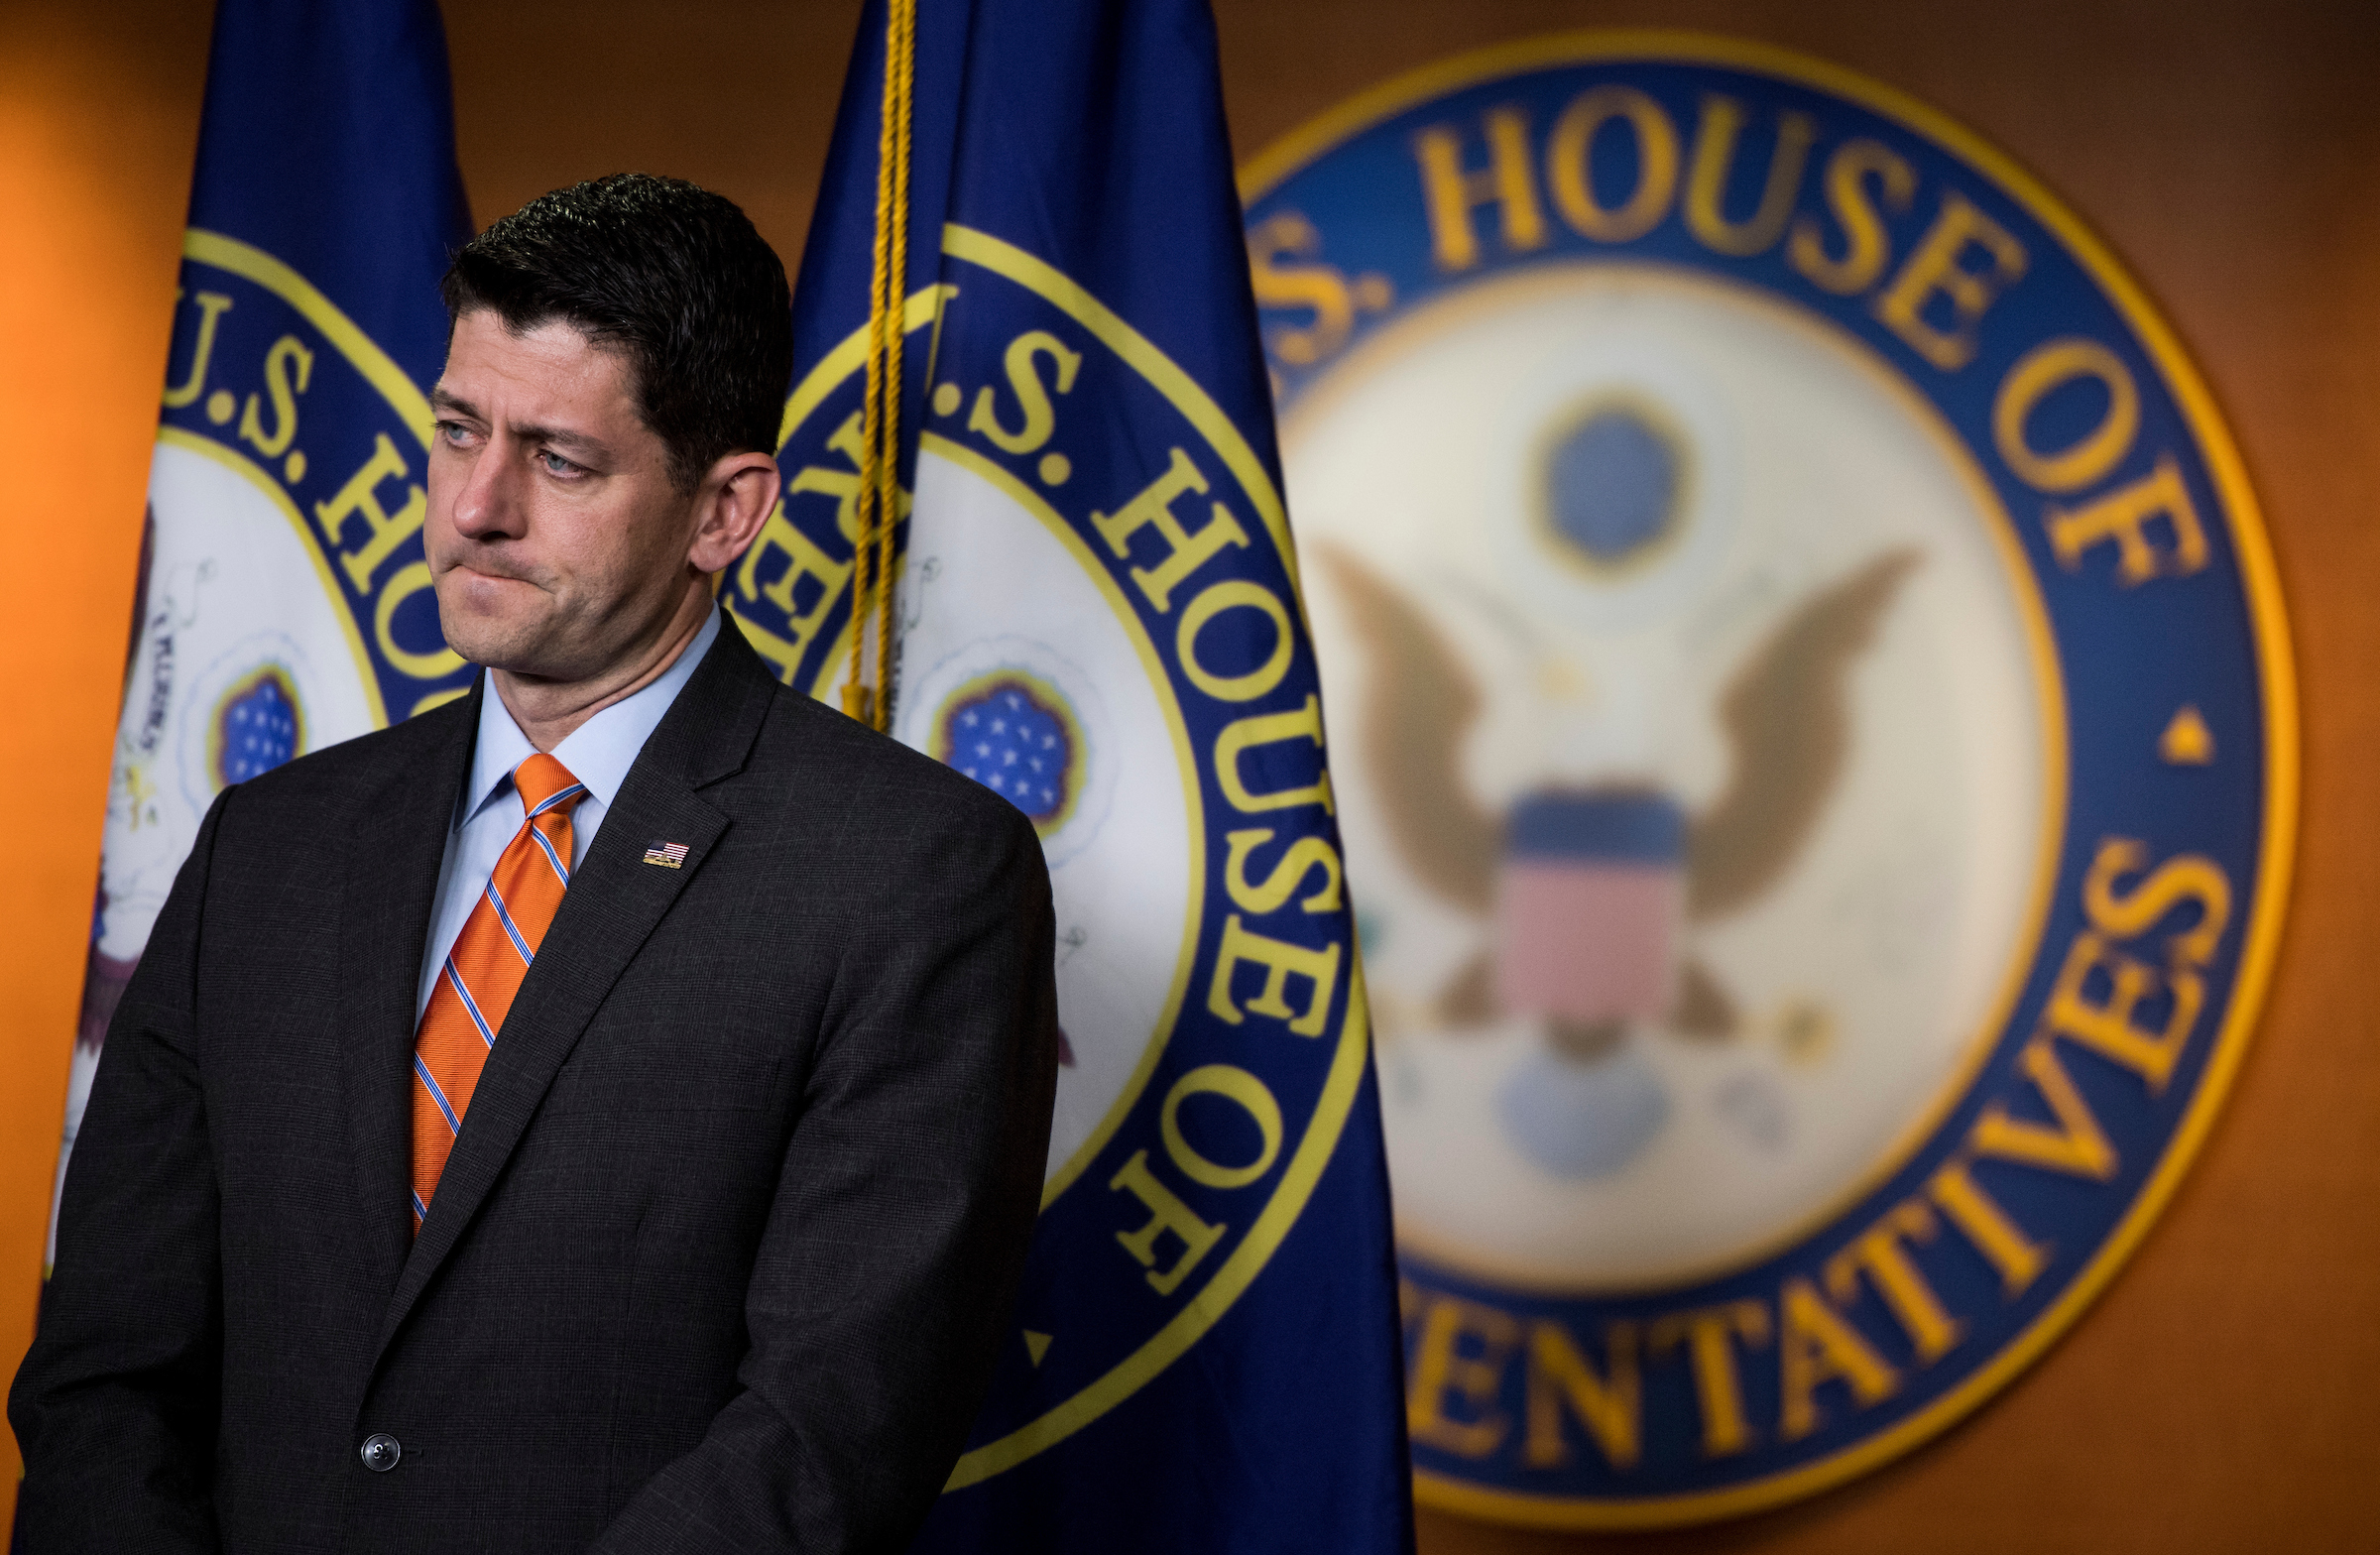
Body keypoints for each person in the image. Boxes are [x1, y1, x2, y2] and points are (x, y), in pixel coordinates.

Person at [10, 174, 1060, 1554]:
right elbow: (104, 1377)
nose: (477, 508)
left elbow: (828, 1435)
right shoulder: (268, 846)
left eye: (559, 460)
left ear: (724, 513)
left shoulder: (914, 875)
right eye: (457, 432)